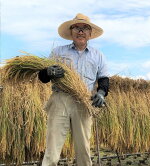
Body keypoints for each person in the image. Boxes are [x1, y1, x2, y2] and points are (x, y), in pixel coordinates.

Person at [38, 13, 109, 166]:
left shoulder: (98, 55)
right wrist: (48, 72)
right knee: (52, 149)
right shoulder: (58, 52)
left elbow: (104, 79)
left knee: (83, 149)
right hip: (60, 99)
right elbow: (42, 76)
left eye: (84, 28)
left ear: (90, 34)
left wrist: (101, 93)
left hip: (84, 102)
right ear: (71, 32)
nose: (80, 31)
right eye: (77, 27)